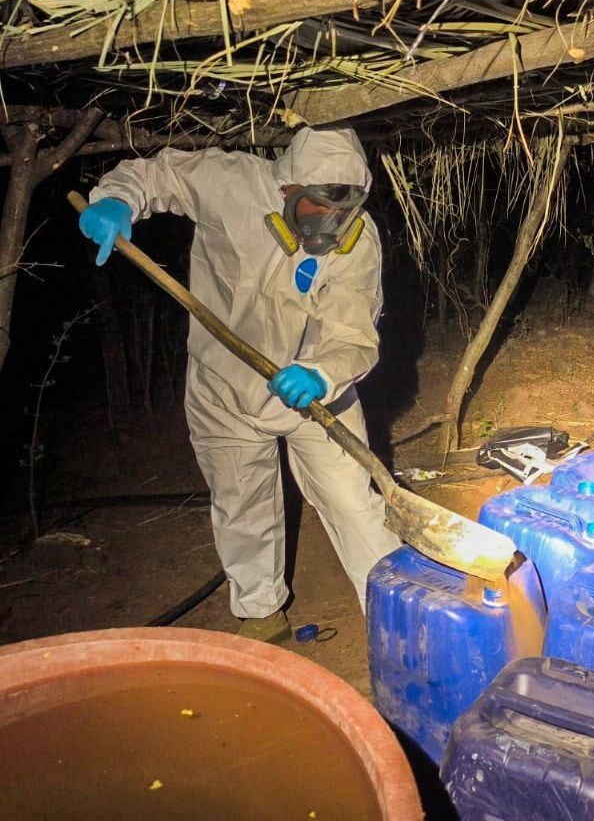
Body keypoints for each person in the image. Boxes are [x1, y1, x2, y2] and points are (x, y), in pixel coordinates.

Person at [78, 127, 401, 643]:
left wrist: (323, 372)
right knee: (241, 500)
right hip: (222, 388)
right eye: (318, 209)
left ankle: (396, 614)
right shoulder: (230, 181)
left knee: (352, 500)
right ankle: (261, 613)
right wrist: (118, 198)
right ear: (287, 190)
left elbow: (353, 334)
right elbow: (160, 173)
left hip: (315, 390)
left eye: (344, 212)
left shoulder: (358, 244)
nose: (331, 226)